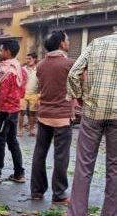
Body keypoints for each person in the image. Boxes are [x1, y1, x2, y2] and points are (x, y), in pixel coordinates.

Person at [65, 27, 117, 216]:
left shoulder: (97, 43)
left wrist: (80, 97)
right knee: (115, 168)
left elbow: (73, 74)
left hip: (92, 111)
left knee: (84, 165)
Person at [31, 31, 74, 204]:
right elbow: (78, 88)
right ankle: (59, 193)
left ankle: (36, 191)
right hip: (62, 117)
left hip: (44, 115)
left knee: (39, 153)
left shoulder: (40, 65)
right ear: (62, 44)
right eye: (68, 39)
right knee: (61, 156)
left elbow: (36, 88)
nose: (69, 42)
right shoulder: (70, 64)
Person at [0, 39, 27, 184]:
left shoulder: (4, 70)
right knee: (12, 141)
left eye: (1, 50)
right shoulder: (20, 70)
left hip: (3, 111)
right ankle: (19, 173)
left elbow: (0, 94)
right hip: (15, 110)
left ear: (8, 52)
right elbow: (22, 92)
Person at [19, 53, 39, 136]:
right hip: (23, 93)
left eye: (29, 59)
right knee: (21, 112)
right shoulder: (23, 69)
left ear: (34, 59)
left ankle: (32, 129)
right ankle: (20, 130)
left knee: (32, 113)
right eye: (27, 59)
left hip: (34, 93)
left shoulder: (39, 69)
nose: (27, 60)